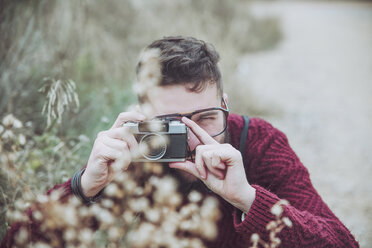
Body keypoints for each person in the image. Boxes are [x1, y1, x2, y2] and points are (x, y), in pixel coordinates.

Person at [1, 36, 359, 247]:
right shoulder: (132, 155)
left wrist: (247, 198)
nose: (190, 139)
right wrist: (83, 188)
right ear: (142, 116)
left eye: (205, 119)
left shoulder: (259, 142)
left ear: (225, 104)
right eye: (169, 126)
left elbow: (344, 243)